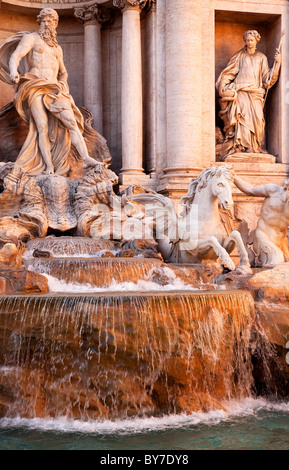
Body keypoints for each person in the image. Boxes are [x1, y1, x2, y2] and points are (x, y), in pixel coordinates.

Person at [0, 8, 99, 177]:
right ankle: (48, 167)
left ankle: (85, 158)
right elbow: (16, 55)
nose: (48, 24)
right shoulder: (31, 38)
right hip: (35, 86)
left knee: (72, 123)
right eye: (45, 21)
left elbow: (63, 71)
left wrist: (63, 83)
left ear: (55, 24)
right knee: (42, 127)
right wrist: (14, 71)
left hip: (55, 90)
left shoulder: (57, 49)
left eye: (51, 21)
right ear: (40, 22)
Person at [216, 30, 281, 158]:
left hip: (256, 93)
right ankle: (242, 147)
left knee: (258, 120)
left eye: (252, 40)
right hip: (241, 92)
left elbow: (267, 79)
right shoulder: (239, 56)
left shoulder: (262, 57)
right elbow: (229, 73)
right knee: (242, 119)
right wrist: (223, 85)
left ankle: (255, 147)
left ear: (256, 41)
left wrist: (277, 63)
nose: (250, 43)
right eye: (248, 40)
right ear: (245, 41)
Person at [234, 174, 289, 266]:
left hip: (281, 241)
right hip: (263, 236)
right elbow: (250, 190)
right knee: (277, 262)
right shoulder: (273, 191)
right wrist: (234, 177)